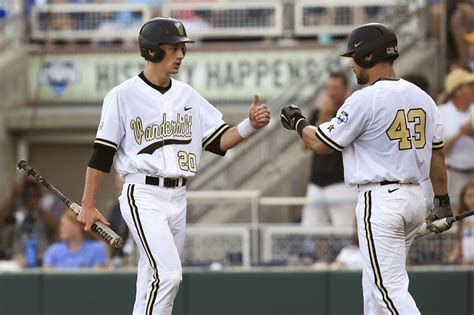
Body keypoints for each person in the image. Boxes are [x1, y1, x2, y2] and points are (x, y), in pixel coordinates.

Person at [78, 17, 270, 315]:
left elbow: (217, 141)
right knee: (168, 276)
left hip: (178, 196)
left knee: (150, 277)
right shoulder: (122, 95)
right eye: (173, 47)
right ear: (153, 51)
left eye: (182, 48)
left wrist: (249, 125)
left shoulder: (186, 95)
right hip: (142, 192)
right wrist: (88, 203)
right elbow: (102, 154)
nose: (181, 54)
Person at [280, 23, 451, 314]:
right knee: (374, 292)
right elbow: (437, 158)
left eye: (354, 57)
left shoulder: (365, 98)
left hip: (381, 201)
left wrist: (297, 121)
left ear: (368, 57)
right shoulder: (424, 98)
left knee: (387, 291)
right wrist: (443, 203)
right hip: (413, 198)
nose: (352, 65)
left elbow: (321, 144)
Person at [301, 71, 357, 226]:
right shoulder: (319, 111)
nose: (331, 92)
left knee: (344, 228)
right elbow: (304, 146)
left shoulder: (350, 111)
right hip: (316, 182)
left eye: (335, 88)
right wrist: (321, 118)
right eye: (328, 88)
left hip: (341, 181)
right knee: (311, 228)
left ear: (345, 89)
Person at [438, 68, 474, 211]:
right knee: (454, 220)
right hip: (453, 175)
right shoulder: (441, 112)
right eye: (469, 86)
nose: (473, 89)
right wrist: (460, 133)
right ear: (457, 90)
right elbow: (438, 150)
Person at [42, 210, 108, 269]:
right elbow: (47, 278)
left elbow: (97, 279)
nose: (60, 228)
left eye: (63, 224)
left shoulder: (97, 248)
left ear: (77, 226)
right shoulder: (52, 250)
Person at [448, 182, 474, 265]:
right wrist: (451, 259)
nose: (472, 200)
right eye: (469, 196)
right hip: (466, 264)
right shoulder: (463, 218)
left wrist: (469, 260)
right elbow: (459, 244)